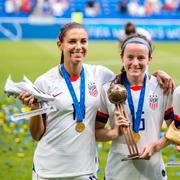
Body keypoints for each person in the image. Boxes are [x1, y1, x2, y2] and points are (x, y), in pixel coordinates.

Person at [18, 22, 174, 180]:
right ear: (60, 45)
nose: (78, 46)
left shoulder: (101, 75)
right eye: (72, 41)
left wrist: (156, 75)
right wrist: (35, 107)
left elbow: (132, 75)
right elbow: (37, 134)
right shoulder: (44, 82)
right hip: (47, 169)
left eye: (83, 41)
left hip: (85, 170)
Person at [95, 34, 174, 180]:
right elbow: (95, 132)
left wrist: (157, 145)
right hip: (117, 172)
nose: (135, 63)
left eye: (141, 58)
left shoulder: (163, 88)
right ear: (122, 57)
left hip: (152, 172)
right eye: (130, 57)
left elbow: (175, 128)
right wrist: (114, 133)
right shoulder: (109, 90)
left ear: (149, 59)